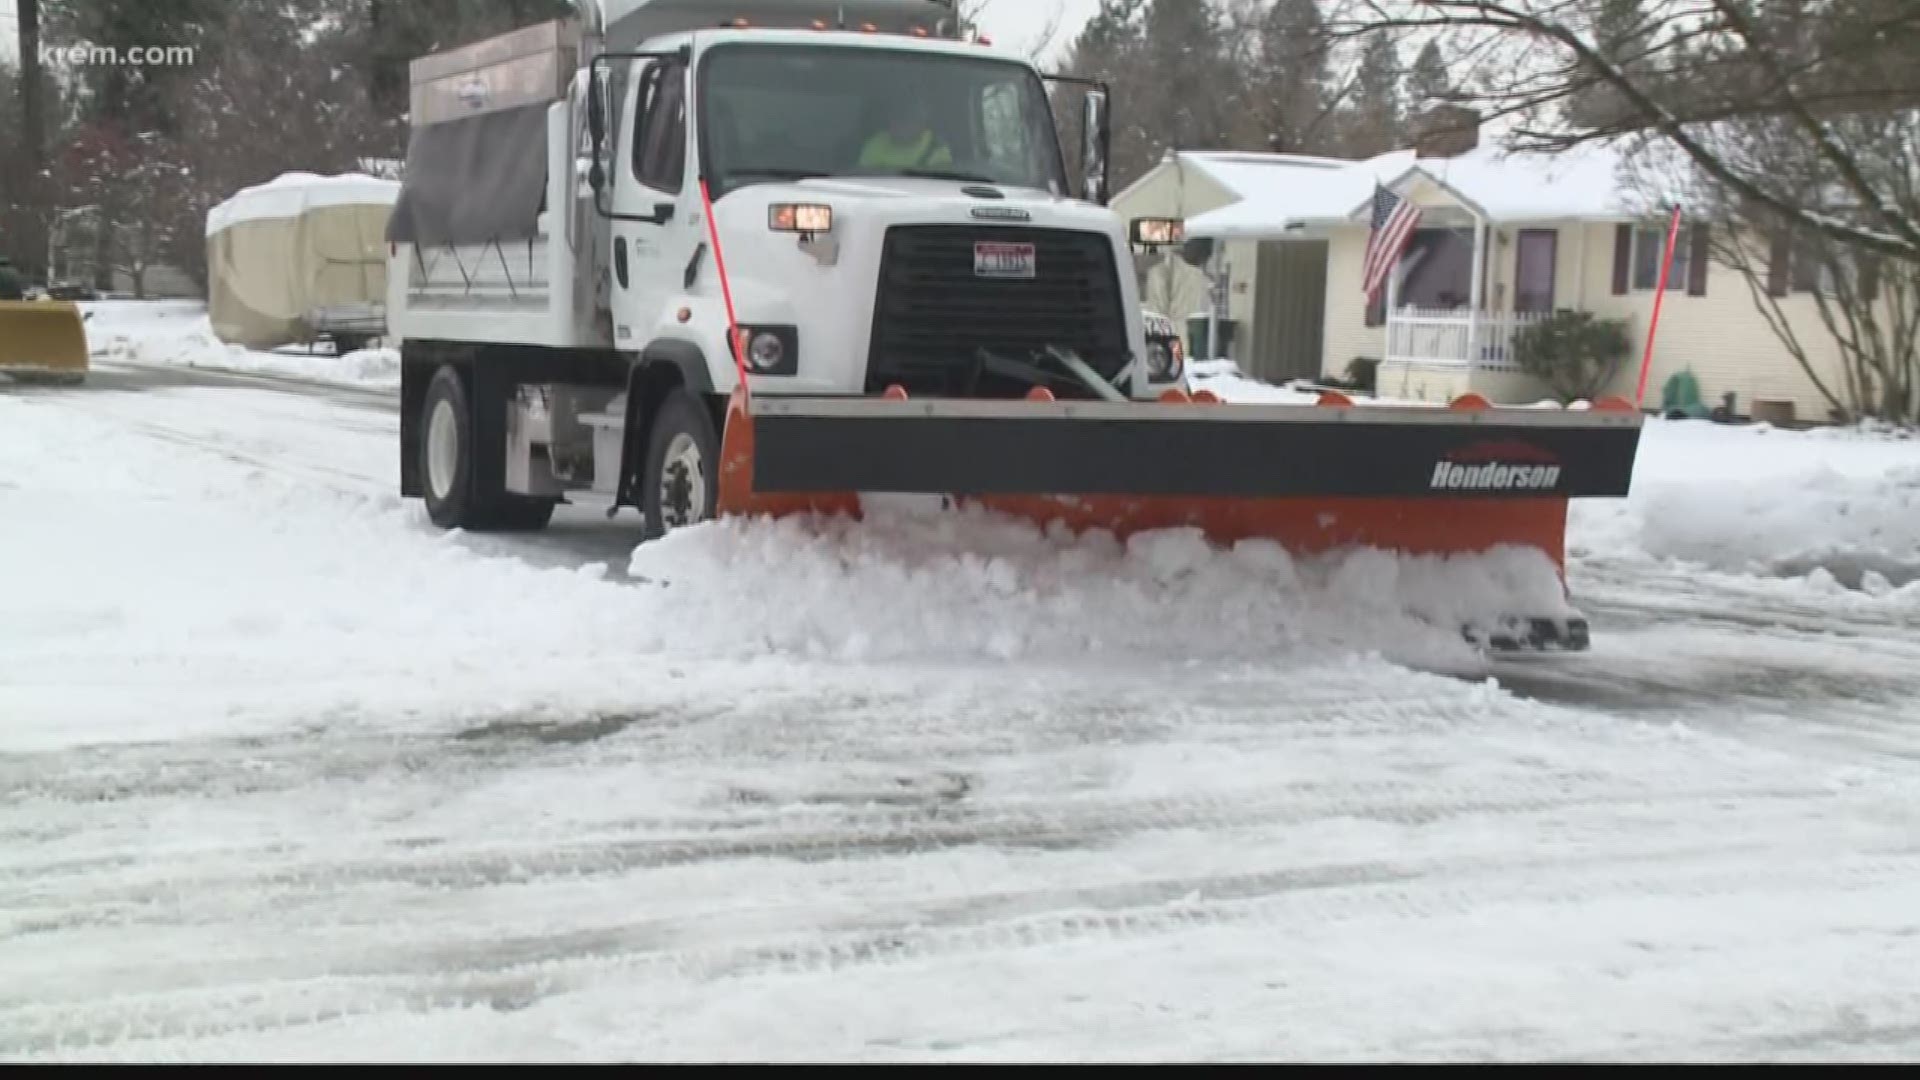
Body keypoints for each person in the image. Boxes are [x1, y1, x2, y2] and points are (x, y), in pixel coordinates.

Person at [858, 97, 953, 171]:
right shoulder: (877, 142)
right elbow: (864, 177)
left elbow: (937, 185)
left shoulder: (937, 147)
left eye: (907, 121)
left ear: (921, 123)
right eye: (896, 120)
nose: (900, 126)